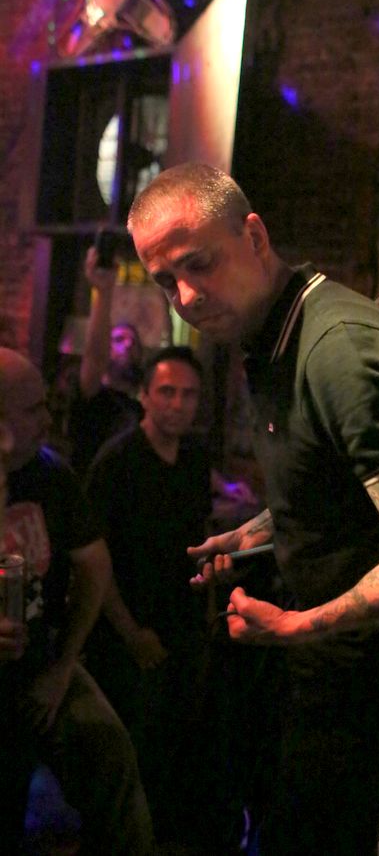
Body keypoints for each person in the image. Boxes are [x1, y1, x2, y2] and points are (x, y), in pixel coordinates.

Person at [126, 162, 379, 855]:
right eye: (165, 281)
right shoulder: (268, 332)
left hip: (375, 653)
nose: (186, 296)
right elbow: (335, 482)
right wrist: (264, 530)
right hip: (331, 642)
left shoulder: (343, 353)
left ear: (254, 236)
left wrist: (295, 626)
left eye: (199, 264)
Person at [0, 347, 154, 855]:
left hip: (41, 662)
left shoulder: (51, 474)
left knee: (112, 758)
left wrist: (64, 664)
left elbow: (94, 565)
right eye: (33, 409)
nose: (49, 419)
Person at [84, 346, 216, 846]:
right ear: (143, 395)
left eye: (188, 394)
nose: (178, 404)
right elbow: (95, 561)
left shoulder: (195, 457)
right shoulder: (117, 461)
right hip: (127, 635)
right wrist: (130, 632)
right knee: (126, 760)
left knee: (174, 756)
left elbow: (197, 536)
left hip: (182, 627)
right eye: (167, 392)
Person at [68, 245, 144, 475]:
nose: (127, 345)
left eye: (132, 341)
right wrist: (103, 291)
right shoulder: (93, 394)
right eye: (119, 339)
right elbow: (95, 357)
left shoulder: (142, 407)